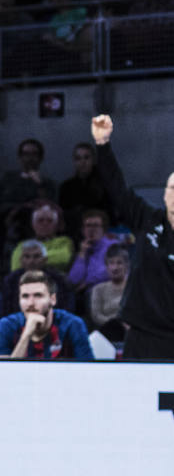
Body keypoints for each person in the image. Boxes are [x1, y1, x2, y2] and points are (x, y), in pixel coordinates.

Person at [90, 113, 174, 359]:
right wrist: (103, 145)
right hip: (143, 335)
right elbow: (117, 189)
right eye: (171, 188)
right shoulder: (148, 219)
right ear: (164, 194)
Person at [0, 271, 94, 360]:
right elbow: (6, 374)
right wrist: (26, 335)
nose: (31, 303)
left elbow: (88, 371)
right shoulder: (7, 325)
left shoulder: (72, 324)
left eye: (38, 295)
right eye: (25, 296)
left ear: (52, 299)